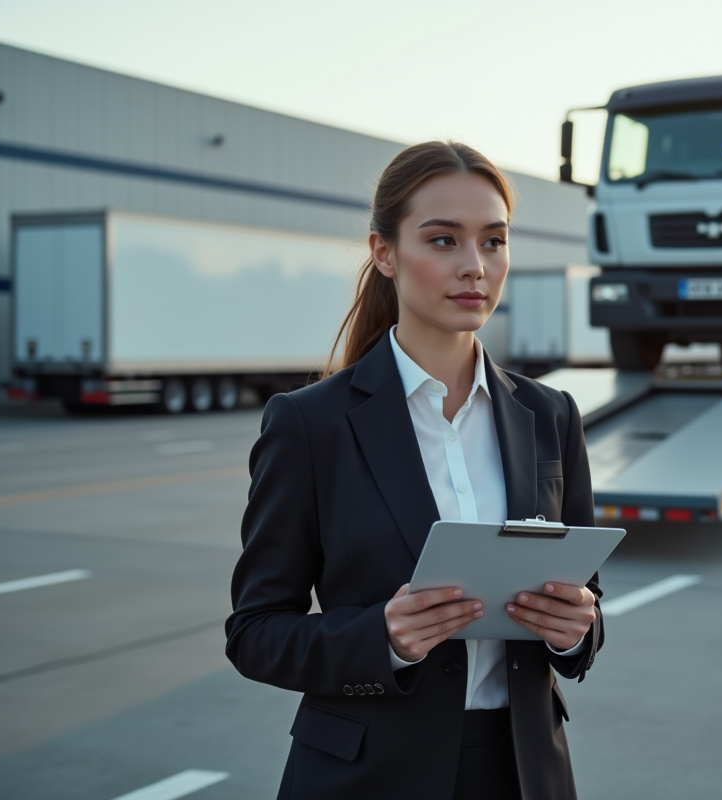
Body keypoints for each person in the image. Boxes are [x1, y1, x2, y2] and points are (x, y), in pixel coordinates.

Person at [225, 141, 603, 800]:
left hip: (522, 771)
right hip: (368, 776)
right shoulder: (312, 424)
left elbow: (585, 604)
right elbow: (256, 633)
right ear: (384, 253)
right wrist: (383, 639)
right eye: (443, 240)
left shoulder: (551, 415)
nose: (474, 267)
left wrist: (577, 632)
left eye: (493, 241)